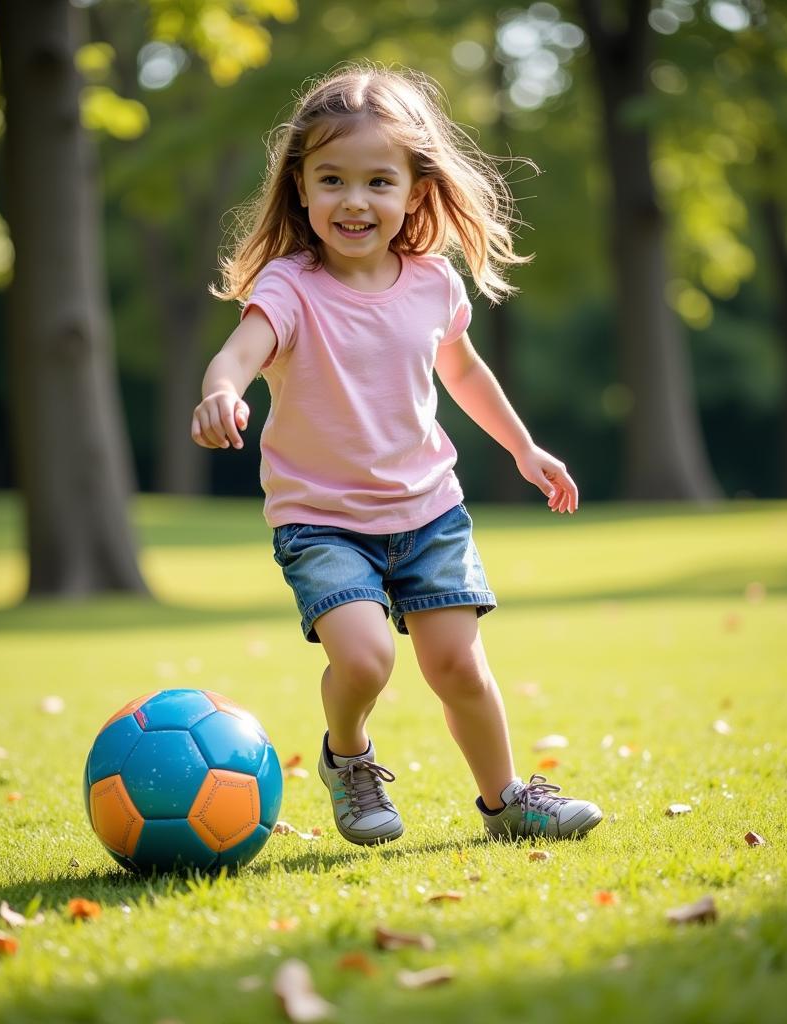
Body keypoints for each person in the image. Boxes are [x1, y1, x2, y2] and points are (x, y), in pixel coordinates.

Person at [191, 64, 601, 846]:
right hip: (322, 521)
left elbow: (462, 369)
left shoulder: (431, 283)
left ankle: (507, 799)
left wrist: (523, 448)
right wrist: (221, 392)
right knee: (367, 658)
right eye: (332, 180)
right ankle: (348, 755)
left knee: (458, 669)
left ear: (415, 189)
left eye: (379, 181)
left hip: (428, 511)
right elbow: (239, 354)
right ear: (301, 190)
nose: (355, 201)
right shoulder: (291, 286)